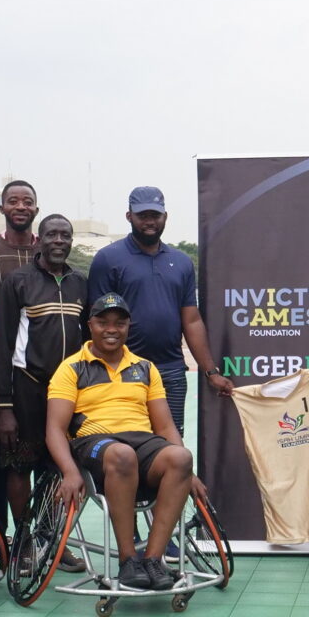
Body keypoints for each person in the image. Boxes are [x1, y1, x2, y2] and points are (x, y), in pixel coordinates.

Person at [43, 292, 204, 590]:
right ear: (90, 325)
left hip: (141, 441)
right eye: (103, 322)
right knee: (122, 454)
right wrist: (69, 471)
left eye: (119, 323)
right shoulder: (71, 368)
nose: (111, 329)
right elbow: (54, 429)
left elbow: (164, 425)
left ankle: (153, 560)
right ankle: (128, 560)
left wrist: (188, 474)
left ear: (129, 327)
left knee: (181, 458)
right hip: (94, 442)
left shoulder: (145, 368)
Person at [85, 186, 234, 434]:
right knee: (127, 444)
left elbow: (191, 320)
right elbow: (97, 321)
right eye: (142, 215)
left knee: (172, 443)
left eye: (155, 215)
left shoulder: (182, 262)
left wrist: (211, 371)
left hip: (171, 370)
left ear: (165, 216)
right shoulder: (108, 258)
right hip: (121, 370)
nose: (149, 222)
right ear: (129, 216)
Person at [0, 213, 91, 573]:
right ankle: (23, 545)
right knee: (21, 467)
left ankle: (51, 542)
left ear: (71, 241)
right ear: (40, 239)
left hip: (68, 392)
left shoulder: (81, 282)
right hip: (27, 388)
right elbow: (3, 345)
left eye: (65, 235)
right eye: (52, 234)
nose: (58, 241)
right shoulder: (18, 281)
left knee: (57, 468)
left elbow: (89, 340)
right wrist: (5, 406)